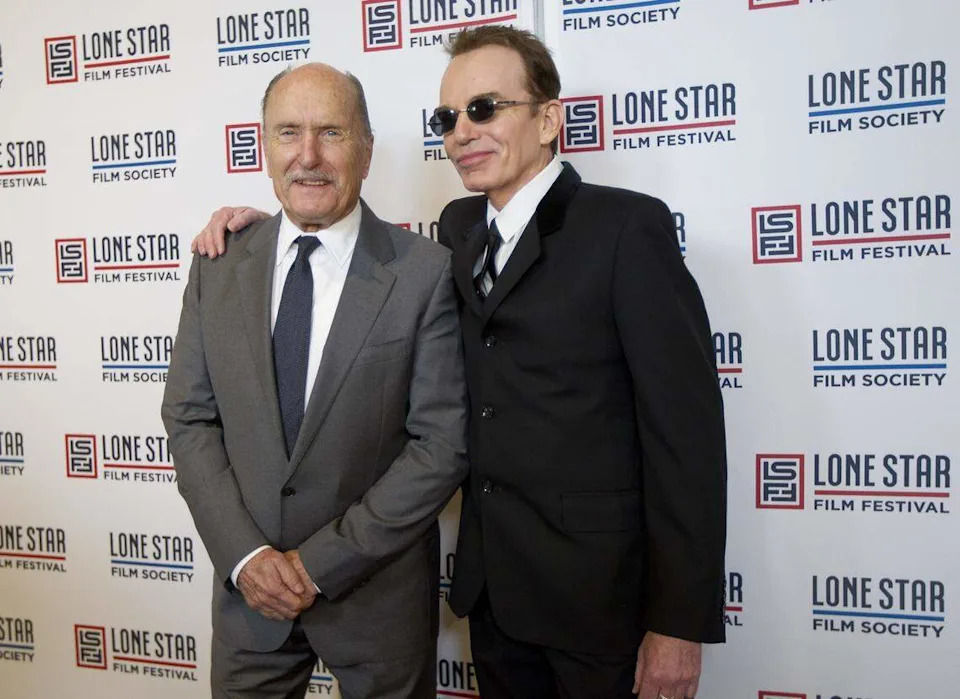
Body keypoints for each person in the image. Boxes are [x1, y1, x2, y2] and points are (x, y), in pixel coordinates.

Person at [193, 27, 727, 699]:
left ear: (549, 118)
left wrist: (678, 622)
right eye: (449, 117)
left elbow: (688, 438)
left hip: (602, 601)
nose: (462, 131)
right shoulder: (460, 229)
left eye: (485, 108)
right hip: (497, 597)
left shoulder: (626, 229)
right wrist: (266, 231)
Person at [161, 62, 468, 699]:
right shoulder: (217, 266)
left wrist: (317, 563)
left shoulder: (423, 272)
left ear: (366, 149)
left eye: (330, 133)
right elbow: (190, 419)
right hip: (250, 606)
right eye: (287, 133)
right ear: (264, 147)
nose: (308, 156)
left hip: (375, 603)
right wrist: (247, 559)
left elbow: (439, 445)